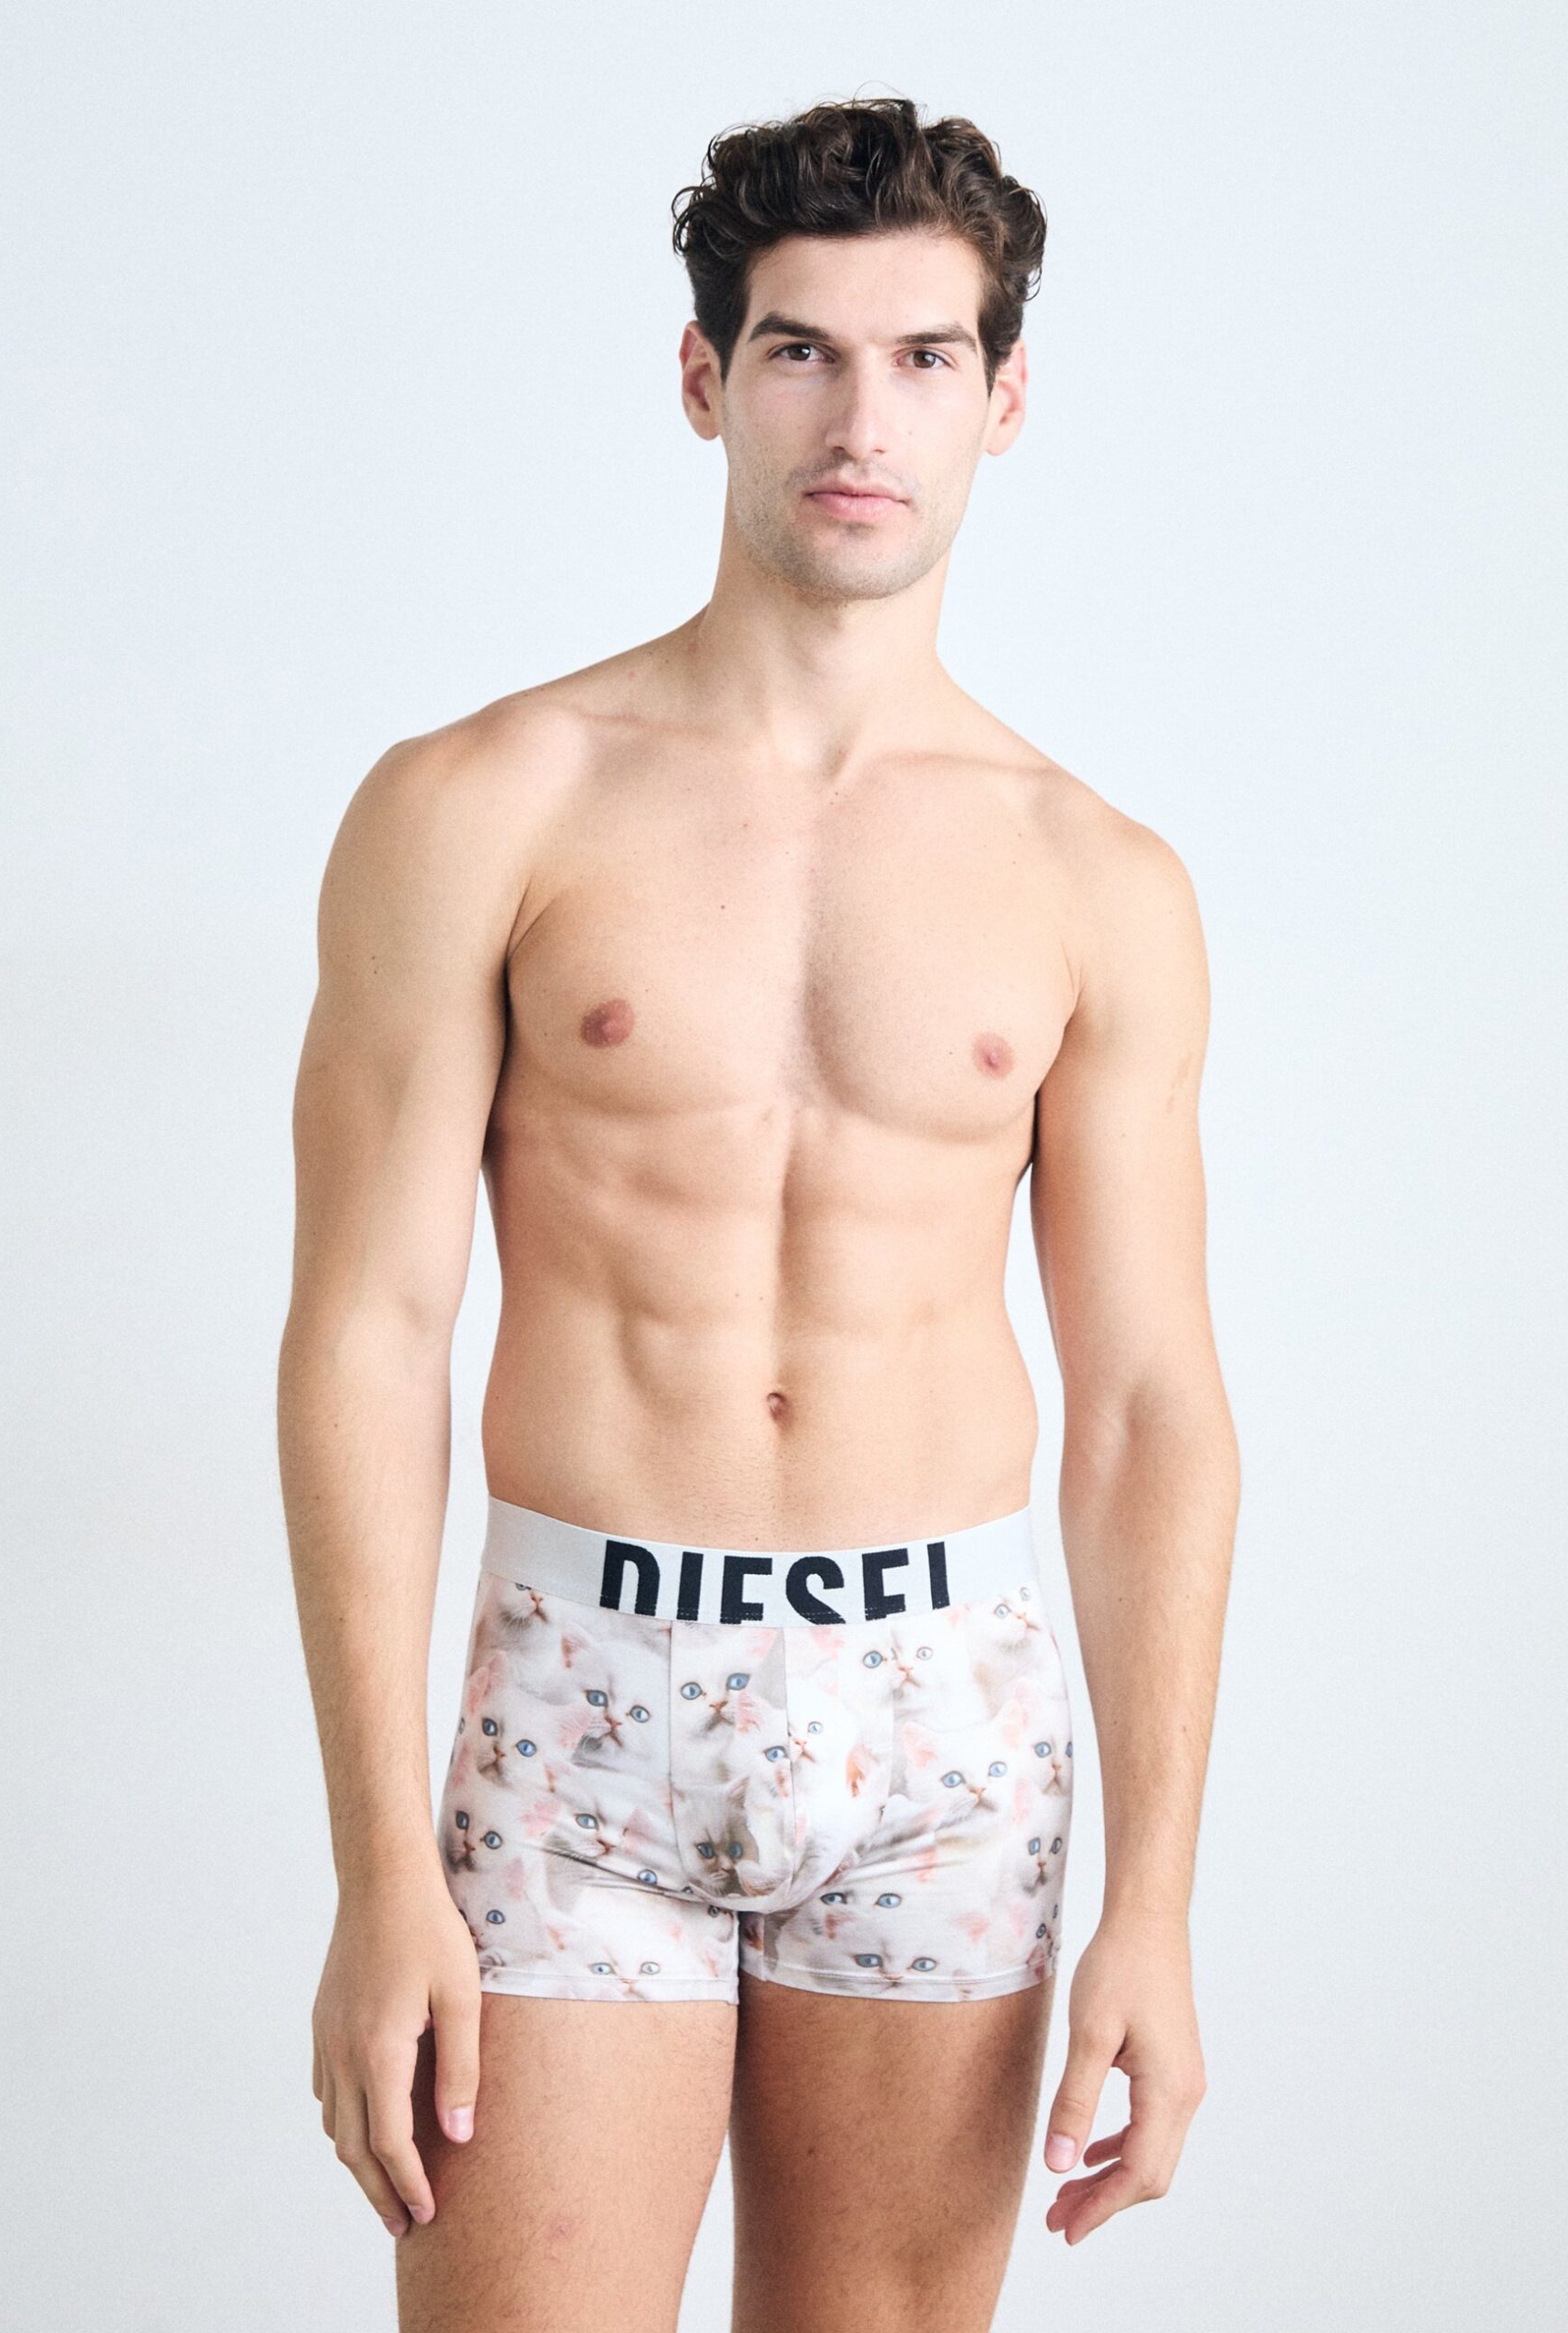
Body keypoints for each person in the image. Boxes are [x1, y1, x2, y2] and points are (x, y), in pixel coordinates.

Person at [278, 93, 1239, 2333]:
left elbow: (1145, 1404)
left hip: (941, 1715)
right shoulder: (480, 803)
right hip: (579, 1697)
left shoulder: (1094, 877)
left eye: (922, 358)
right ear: (705, 377)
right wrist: (374, 1864)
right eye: (800, 350)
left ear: (1004, 397)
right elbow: (368, 1331)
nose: (859, 419)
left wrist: (1156, 1899)